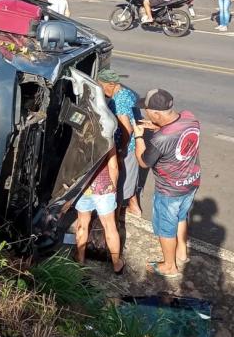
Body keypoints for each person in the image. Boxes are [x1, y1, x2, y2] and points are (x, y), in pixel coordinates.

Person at [133, 89, 201, 278]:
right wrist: (158, 126)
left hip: (169, 191)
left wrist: (139, 136)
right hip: (191, 182)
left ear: (155, 113)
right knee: (181, 217)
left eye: (147, 110)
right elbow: (176, 131)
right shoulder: (190, 118)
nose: (146, 113)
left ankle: (169, 267)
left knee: (166, 227)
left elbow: (143, 161)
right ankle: (182, 253)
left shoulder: (160, 139)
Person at [97, 68, 142, 217]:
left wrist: (122, 150)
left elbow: (126, 129)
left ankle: (115, 216)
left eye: (101, 86)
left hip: (126, 146)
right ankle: (134, 207)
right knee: (130, 178)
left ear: (111, 84)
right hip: (132, 144)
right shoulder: (127, 93)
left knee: (121, 182)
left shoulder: (120, 100)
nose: (102, 91)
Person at [75, 146, 125, 274]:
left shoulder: (79, 135)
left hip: (83, 187)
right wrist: (112, 187)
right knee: (110, 227)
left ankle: (80, 259)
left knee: (82, 224)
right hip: (104, 187)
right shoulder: (107, 134)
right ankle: (116, 264)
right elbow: (113, 166)